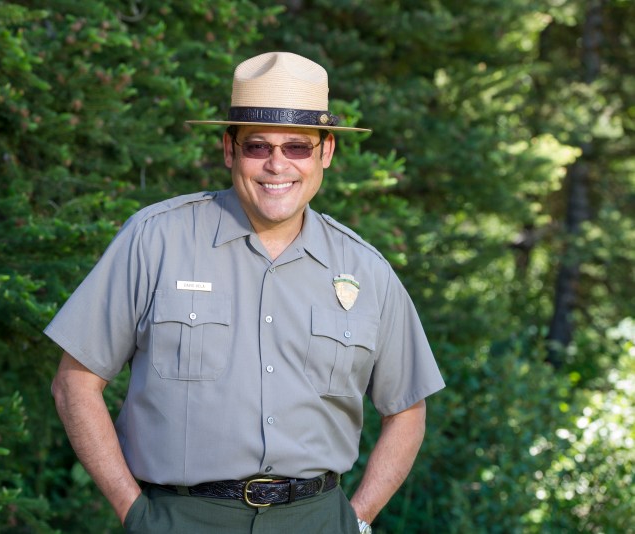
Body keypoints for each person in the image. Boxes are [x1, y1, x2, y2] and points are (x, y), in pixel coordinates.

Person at [46, 51, 445, 533]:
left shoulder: (367, 270)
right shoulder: (155, 239)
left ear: (327, 153)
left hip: (317, 520)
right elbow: (76, 382)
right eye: (259, 146)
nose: (277, 165)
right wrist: (134, 512)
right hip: (181, 519)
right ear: (230, 151)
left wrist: (356, 520)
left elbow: (407, 410)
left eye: (297, 146)